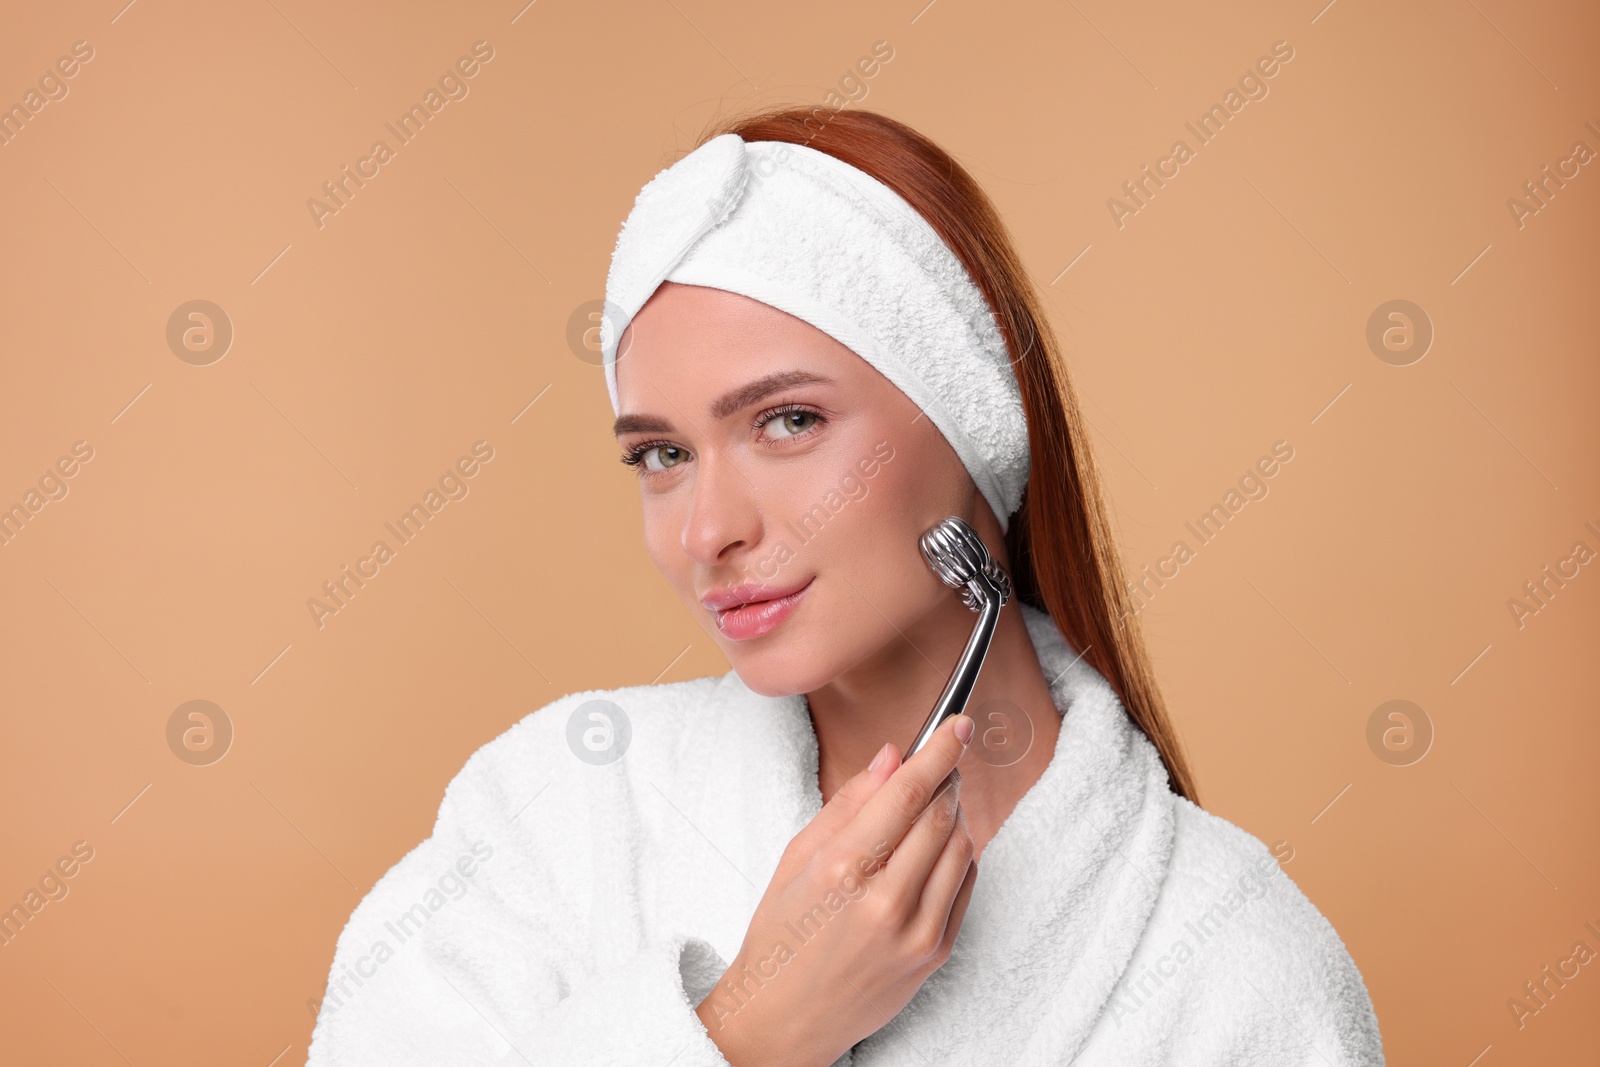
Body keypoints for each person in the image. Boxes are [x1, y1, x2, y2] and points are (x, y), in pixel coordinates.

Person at [305, 107, 1383, 1066]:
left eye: (788, 421)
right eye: (659, 455)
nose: (707, 530)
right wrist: (746, 1031)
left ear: (977, 421)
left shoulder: (1233, 959)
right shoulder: (554, 817)